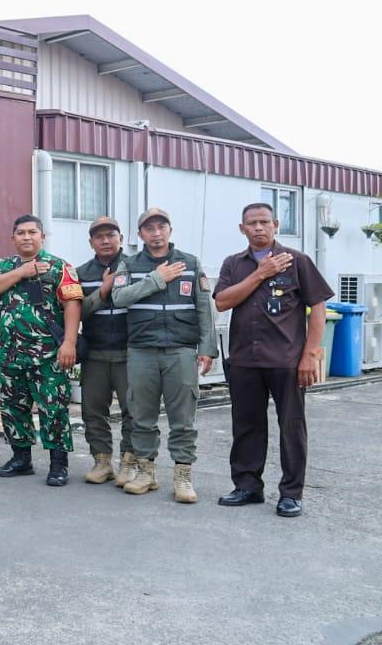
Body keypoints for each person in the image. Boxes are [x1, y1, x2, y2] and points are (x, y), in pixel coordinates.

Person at [213, 203, 332, 517]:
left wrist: (310, 355)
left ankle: (291, 493)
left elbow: (318, 308)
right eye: (251, 223)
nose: (258, 228)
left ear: (276, 224)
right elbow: (222, 302)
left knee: (292, 427)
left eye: (264, 222)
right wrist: (261, 273)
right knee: (246, 426)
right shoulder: (233, 264)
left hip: (287, 360)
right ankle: (247, 486)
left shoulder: (297, 261)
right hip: (244, 360)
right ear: (242, 229)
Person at [111, 208, 219, 503]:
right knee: (141, 416)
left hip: (180, 351)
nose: (156, 233)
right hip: (142, 351)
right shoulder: (129, 264)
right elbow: (119, 298)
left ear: (170, 230)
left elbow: (204, 308)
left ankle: (183, 477)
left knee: (183, 420)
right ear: (140, 234)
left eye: (161, 227)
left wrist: (207, 348)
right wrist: (156, 279)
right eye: (149, 228)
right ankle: (146, 472)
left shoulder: (190, 263)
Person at [0, 214, 83, 486]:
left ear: (42, 237)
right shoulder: (3, 267)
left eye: (32, 232)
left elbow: (72, 304)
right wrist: (21, 273)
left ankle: (58, 464)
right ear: (12, 238)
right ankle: (21, 458)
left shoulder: (59, 267)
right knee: (13, 408)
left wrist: (69, 342)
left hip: (48, 355)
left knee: (53, 409)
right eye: (21, 233)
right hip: (10, 355)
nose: (27, 237)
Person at [75, 216, 136, 486]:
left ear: (120, 238)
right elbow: (76, 312)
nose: (105, 240)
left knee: (134, 411)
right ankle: (102, 462)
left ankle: (129, 462)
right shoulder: (80, 273)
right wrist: (103, 290)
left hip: (131, 352)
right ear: (91, 243)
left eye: (111, 235)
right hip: (95, 353)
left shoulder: (136, 267)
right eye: (99, 236)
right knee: (93, 411)